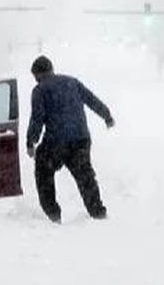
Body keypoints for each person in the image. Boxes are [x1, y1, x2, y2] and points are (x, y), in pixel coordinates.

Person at [26, 55, 115, 223]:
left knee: (43, 172)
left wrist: (31, 142)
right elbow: (91, 99)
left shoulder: (40, 90)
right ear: (52, 69)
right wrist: (107, 115)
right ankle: (98, 213)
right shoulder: (72, 82)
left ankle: (53, 215)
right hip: (81, 139)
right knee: (85, 176)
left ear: (38, 74)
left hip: (56, 143)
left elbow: (37, 118)